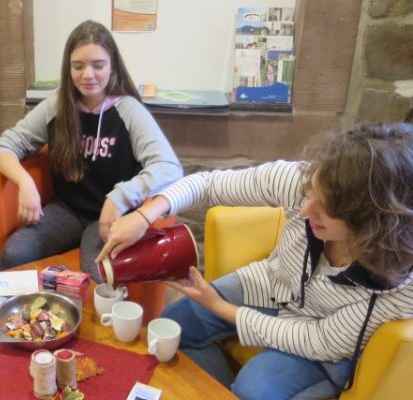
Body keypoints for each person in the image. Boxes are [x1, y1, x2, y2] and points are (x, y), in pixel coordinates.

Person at [97, 122, 413, 399]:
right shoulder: (304, 182)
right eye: (311, 193)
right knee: (174, 324)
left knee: (253, 390)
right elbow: (208, 184)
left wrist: (217, 305)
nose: (305, 209)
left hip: (321, 342)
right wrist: (144, 215)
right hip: (276, 284)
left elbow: (318, 341)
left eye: (325, 208)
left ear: (369, 224)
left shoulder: (396, 285)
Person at [0, 20, 182, 280]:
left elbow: (169, 167)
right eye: (78, 66)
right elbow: (3, 146)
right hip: (66, 211)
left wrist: (119, 197)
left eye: (98, 65)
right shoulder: (56, 106)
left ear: (112, 66)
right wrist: (25, 182)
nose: (87, 75)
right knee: (15, 254)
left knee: (96, 272)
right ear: (68, 68)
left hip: (111, 216)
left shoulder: (129, 111)